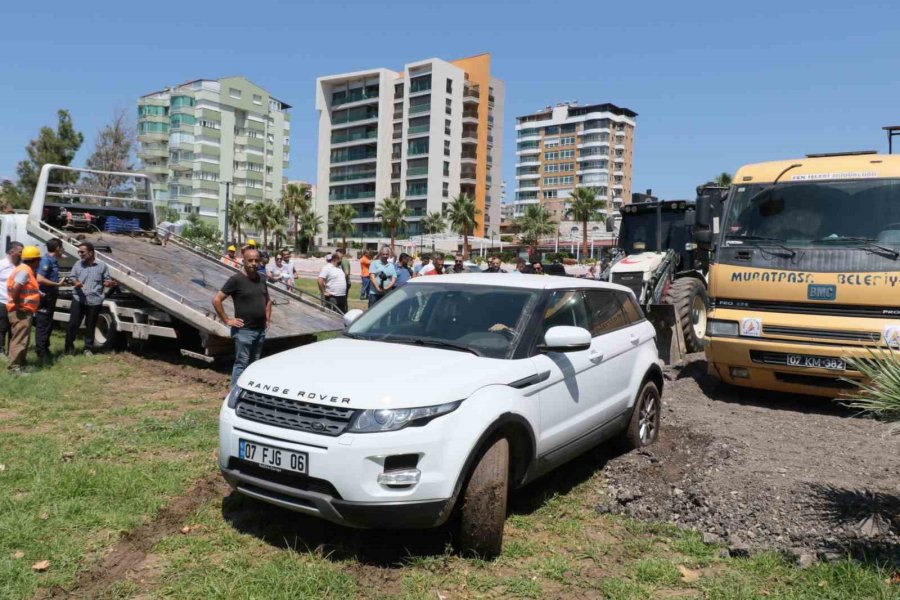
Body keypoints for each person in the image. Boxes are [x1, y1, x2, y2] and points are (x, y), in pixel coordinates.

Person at [213, 248, 272, 388]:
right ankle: (234, 393)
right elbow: (216, 300)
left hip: (259, 330)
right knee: (241, 364)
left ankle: (249, 391)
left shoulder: (262, 279)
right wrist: (227, 320)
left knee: (254, 363)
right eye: (250, 260)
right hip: (244, 331)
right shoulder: (236, 280)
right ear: (243, 261)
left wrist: (267, 319)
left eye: (257, 260)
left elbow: (268, 300)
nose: (254, 263)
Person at [65, 241, 114, 355]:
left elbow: (106, 280)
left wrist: (109, 283)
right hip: (79, 298)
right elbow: (72, 277)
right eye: (79, 252)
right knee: (73, 324)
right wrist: (76, 282)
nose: (80, 254)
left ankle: (88, 348)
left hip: (95, 300)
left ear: (91, 253)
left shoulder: (102, 266)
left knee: (91, 325)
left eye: (82, 252)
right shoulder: (78, 264)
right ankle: (68, 349)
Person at [6, 245, 42, 371]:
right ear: (36, 260)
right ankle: (15, 367)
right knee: (20, 339)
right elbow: (16, 287)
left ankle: (20, 365)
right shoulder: (25, 271)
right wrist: (18, 306)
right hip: (21, 310)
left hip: (23, 310)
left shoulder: (23, 269)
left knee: (22, 338)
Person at [34, 238, 64, 364]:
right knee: (42, 324)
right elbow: (40, 278)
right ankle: (41, 351)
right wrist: (56, 284)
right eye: (61, 247)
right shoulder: (46, 261)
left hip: (51, 296)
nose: (63, 249)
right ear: (57, 248)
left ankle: (45, 348)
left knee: (48, 324)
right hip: (45, 297)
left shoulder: (53, 260)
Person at [0, 242, 24, 355]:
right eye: (20, 252)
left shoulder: (20, 266)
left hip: (16, 303)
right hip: (3, 301)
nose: (22, 254)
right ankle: (0, 351)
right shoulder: (1, 265)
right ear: (11, 252)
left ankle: (11, 352)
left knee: (14, 329)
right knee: (2, 328)